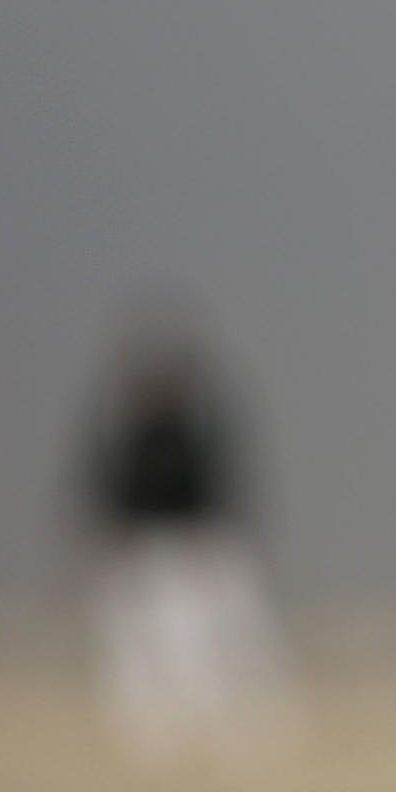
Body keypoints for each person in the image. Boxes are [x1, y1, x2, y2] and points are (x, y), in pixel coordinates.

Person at [76, 314, 294, 759]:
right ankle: (152, 736)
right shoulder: (128, 434)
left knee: (207, 642)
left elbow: (220, 490)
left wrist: (215, 542)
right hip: (140, 551)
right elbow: (106, 491)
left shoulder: (196, 432)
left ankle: (229, 729)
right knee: (139, 650)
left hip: (193, 549)